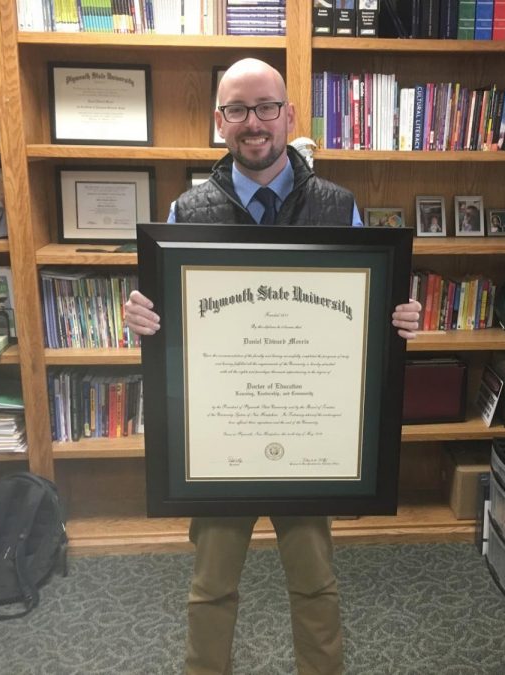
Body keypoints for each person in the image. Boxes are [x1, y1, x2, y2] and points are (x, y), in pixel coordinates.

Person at [123, 58, 421, 675]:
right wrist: (144, 320)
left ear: (289, 116)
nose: (252, 123)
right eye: (237, 110)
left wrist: (399, 322)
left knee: (315, 584)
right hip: (222, 437)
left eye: (265, 108)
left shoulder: (340, 207)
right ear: (219, 122)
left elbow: (371, 312)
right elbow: (176, 326)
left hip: (307, 431)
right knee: (211, 586)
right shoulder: (188, 212)